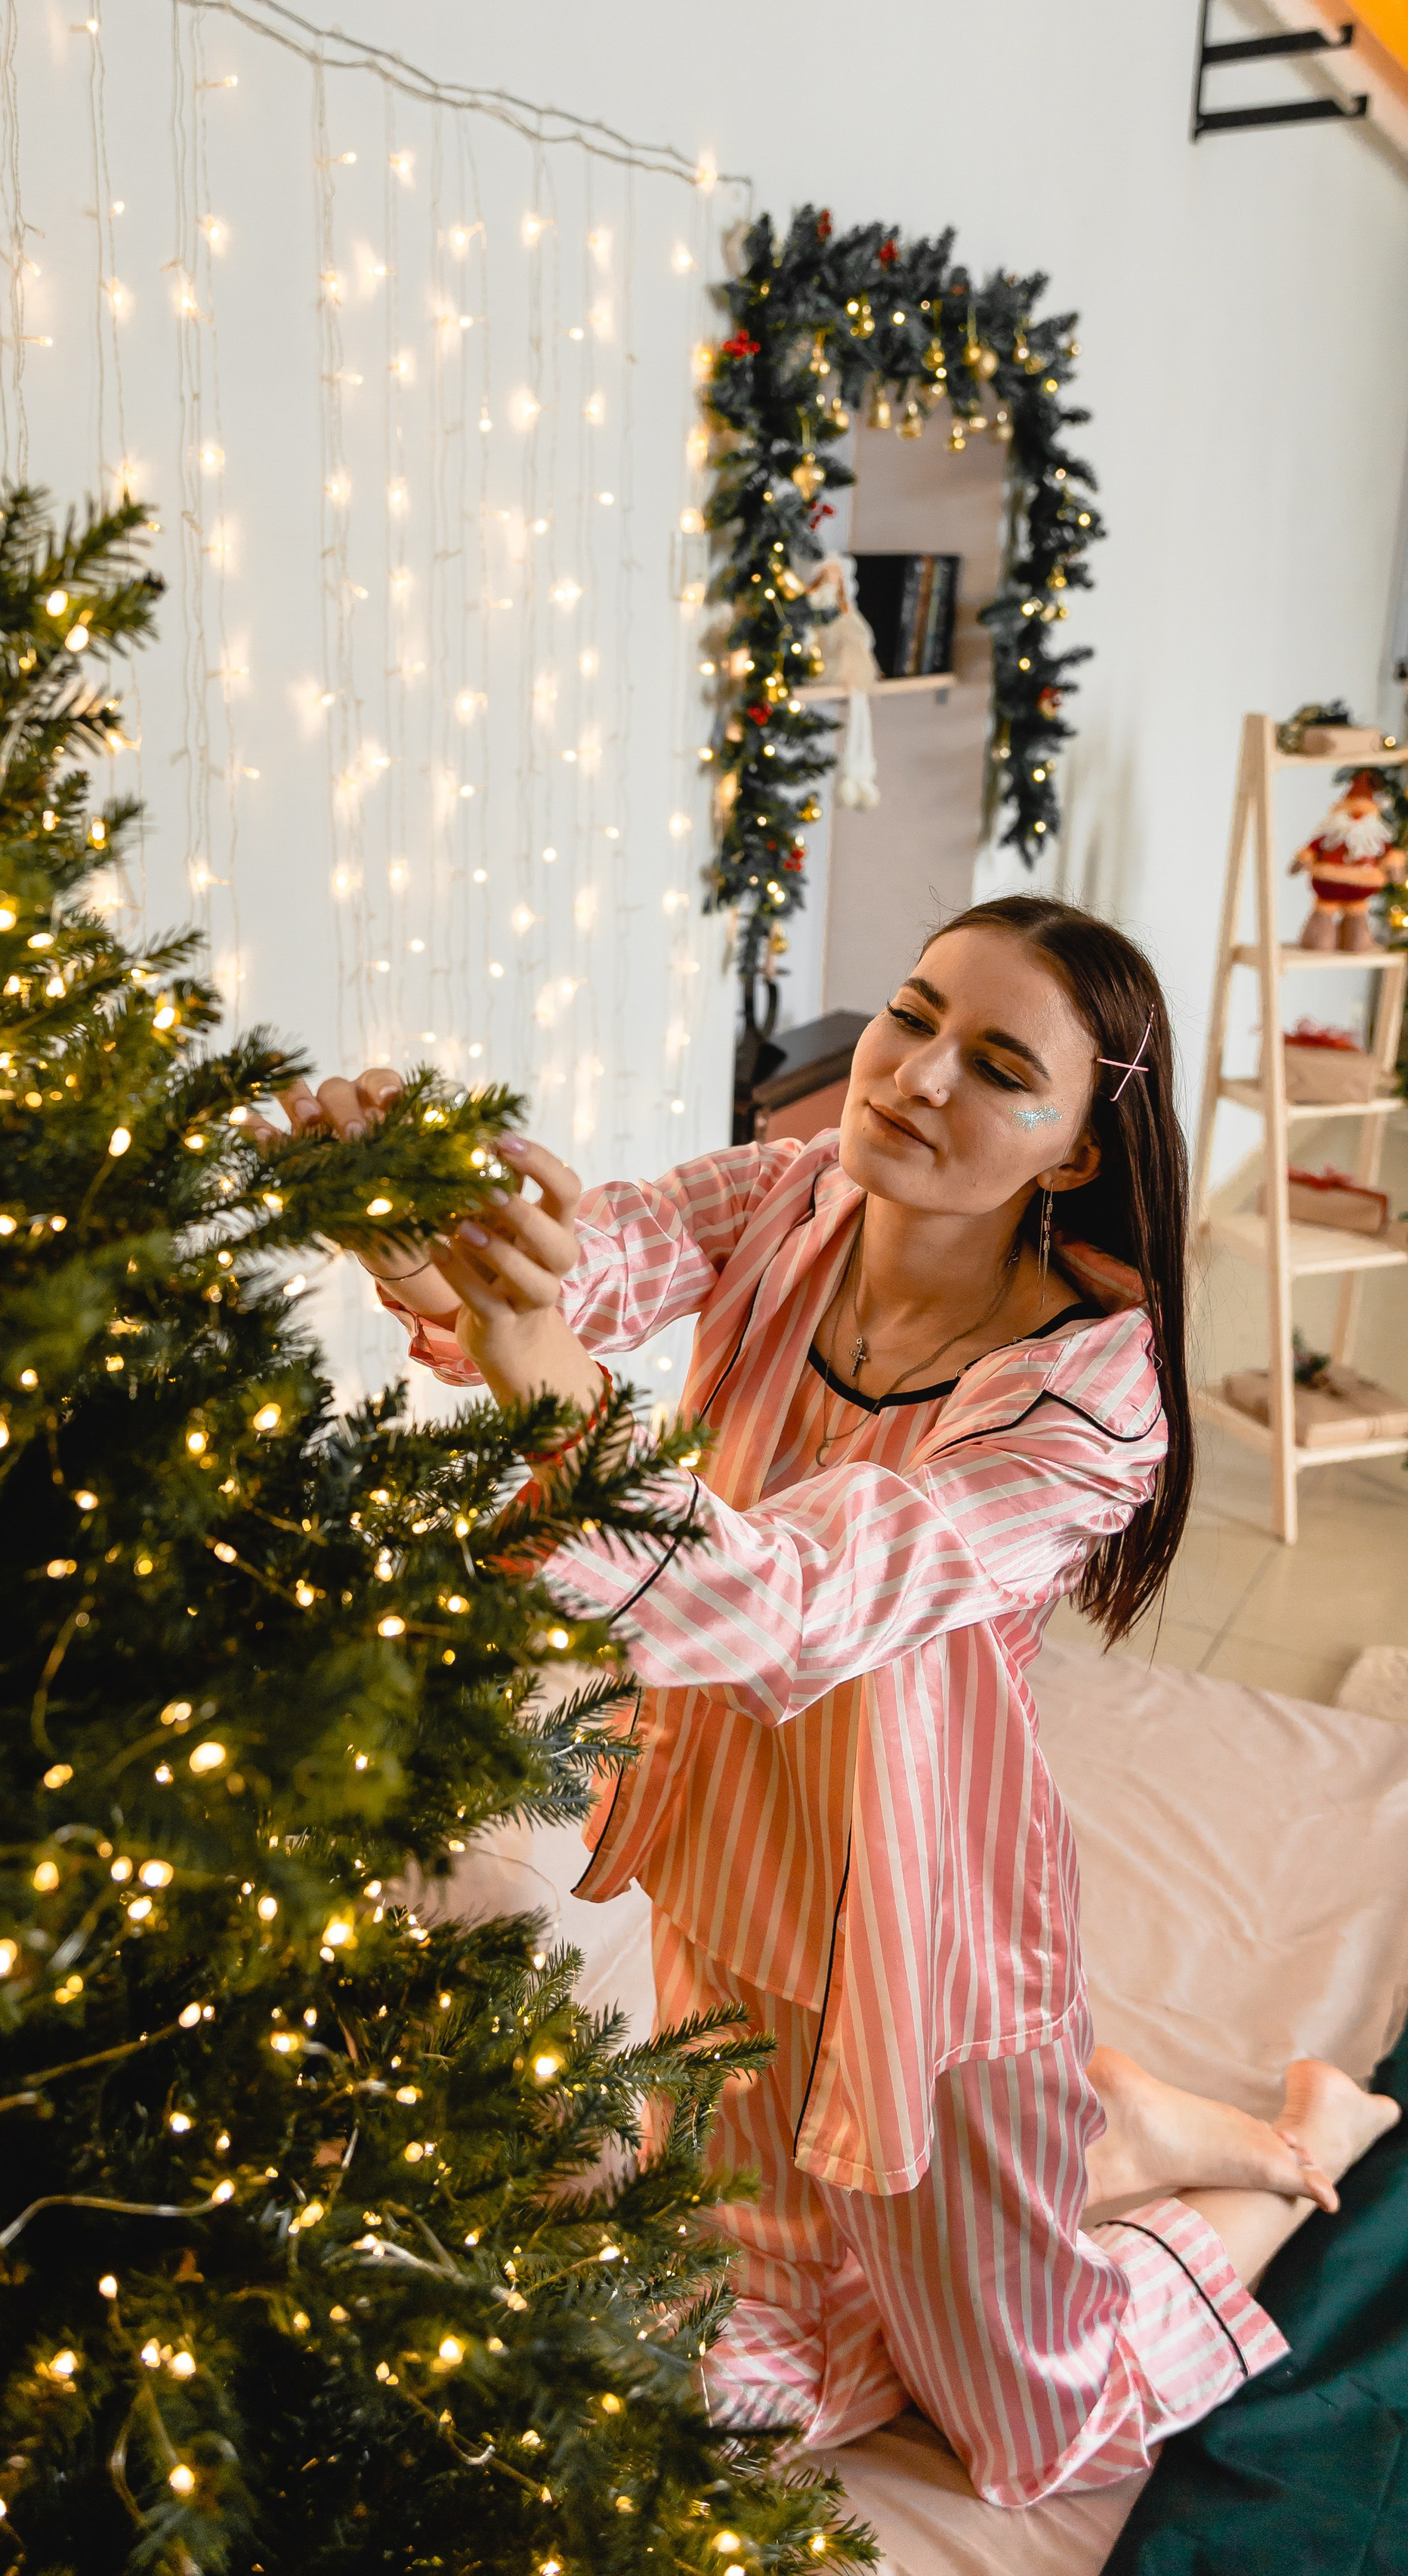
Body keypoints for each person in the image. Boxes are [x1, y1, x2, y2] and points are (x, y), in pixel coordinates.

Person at [266, 895, 1399, 2509]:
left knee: (1031, 2428)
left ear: (1073, 1148)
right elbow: (591, 1264)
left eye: (998, 1066)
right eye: (911, 1015)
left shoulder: (1091, 1396)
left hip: (916, 1955)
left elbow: (788, 1602)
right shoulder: (791, 1193)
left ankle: (1294, 2149)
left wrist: (526, 1347)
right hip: (728, 1860)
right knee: (727, 2331)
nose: (914, 1077)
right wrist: (436, 1238)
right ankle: (1107, 2123)